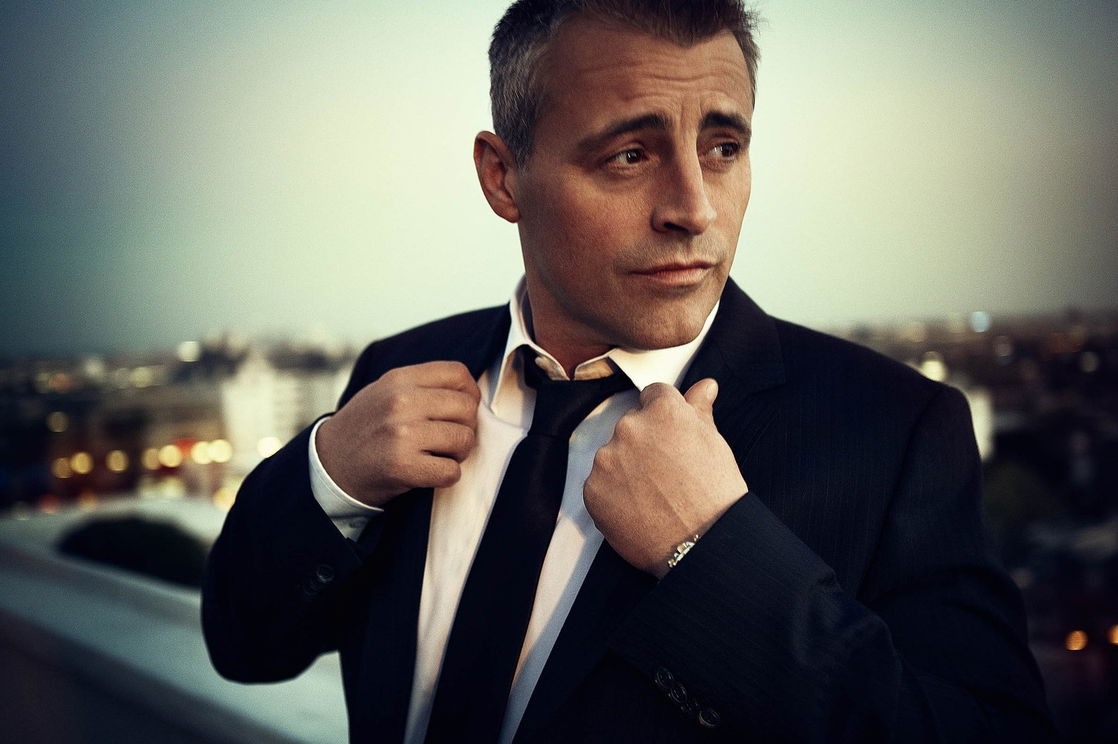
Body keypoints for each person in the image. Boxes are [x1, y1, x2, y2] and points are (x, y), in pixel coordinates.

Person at [202, 1, 1056, 741]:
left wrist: (715, 554)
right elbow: (243, 647)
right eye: (630, 156)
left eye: (722, 147)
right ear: (503, 177)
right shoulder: (397, 371)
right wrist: (327, 478)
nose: (694, 208)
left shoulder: (893, 432)